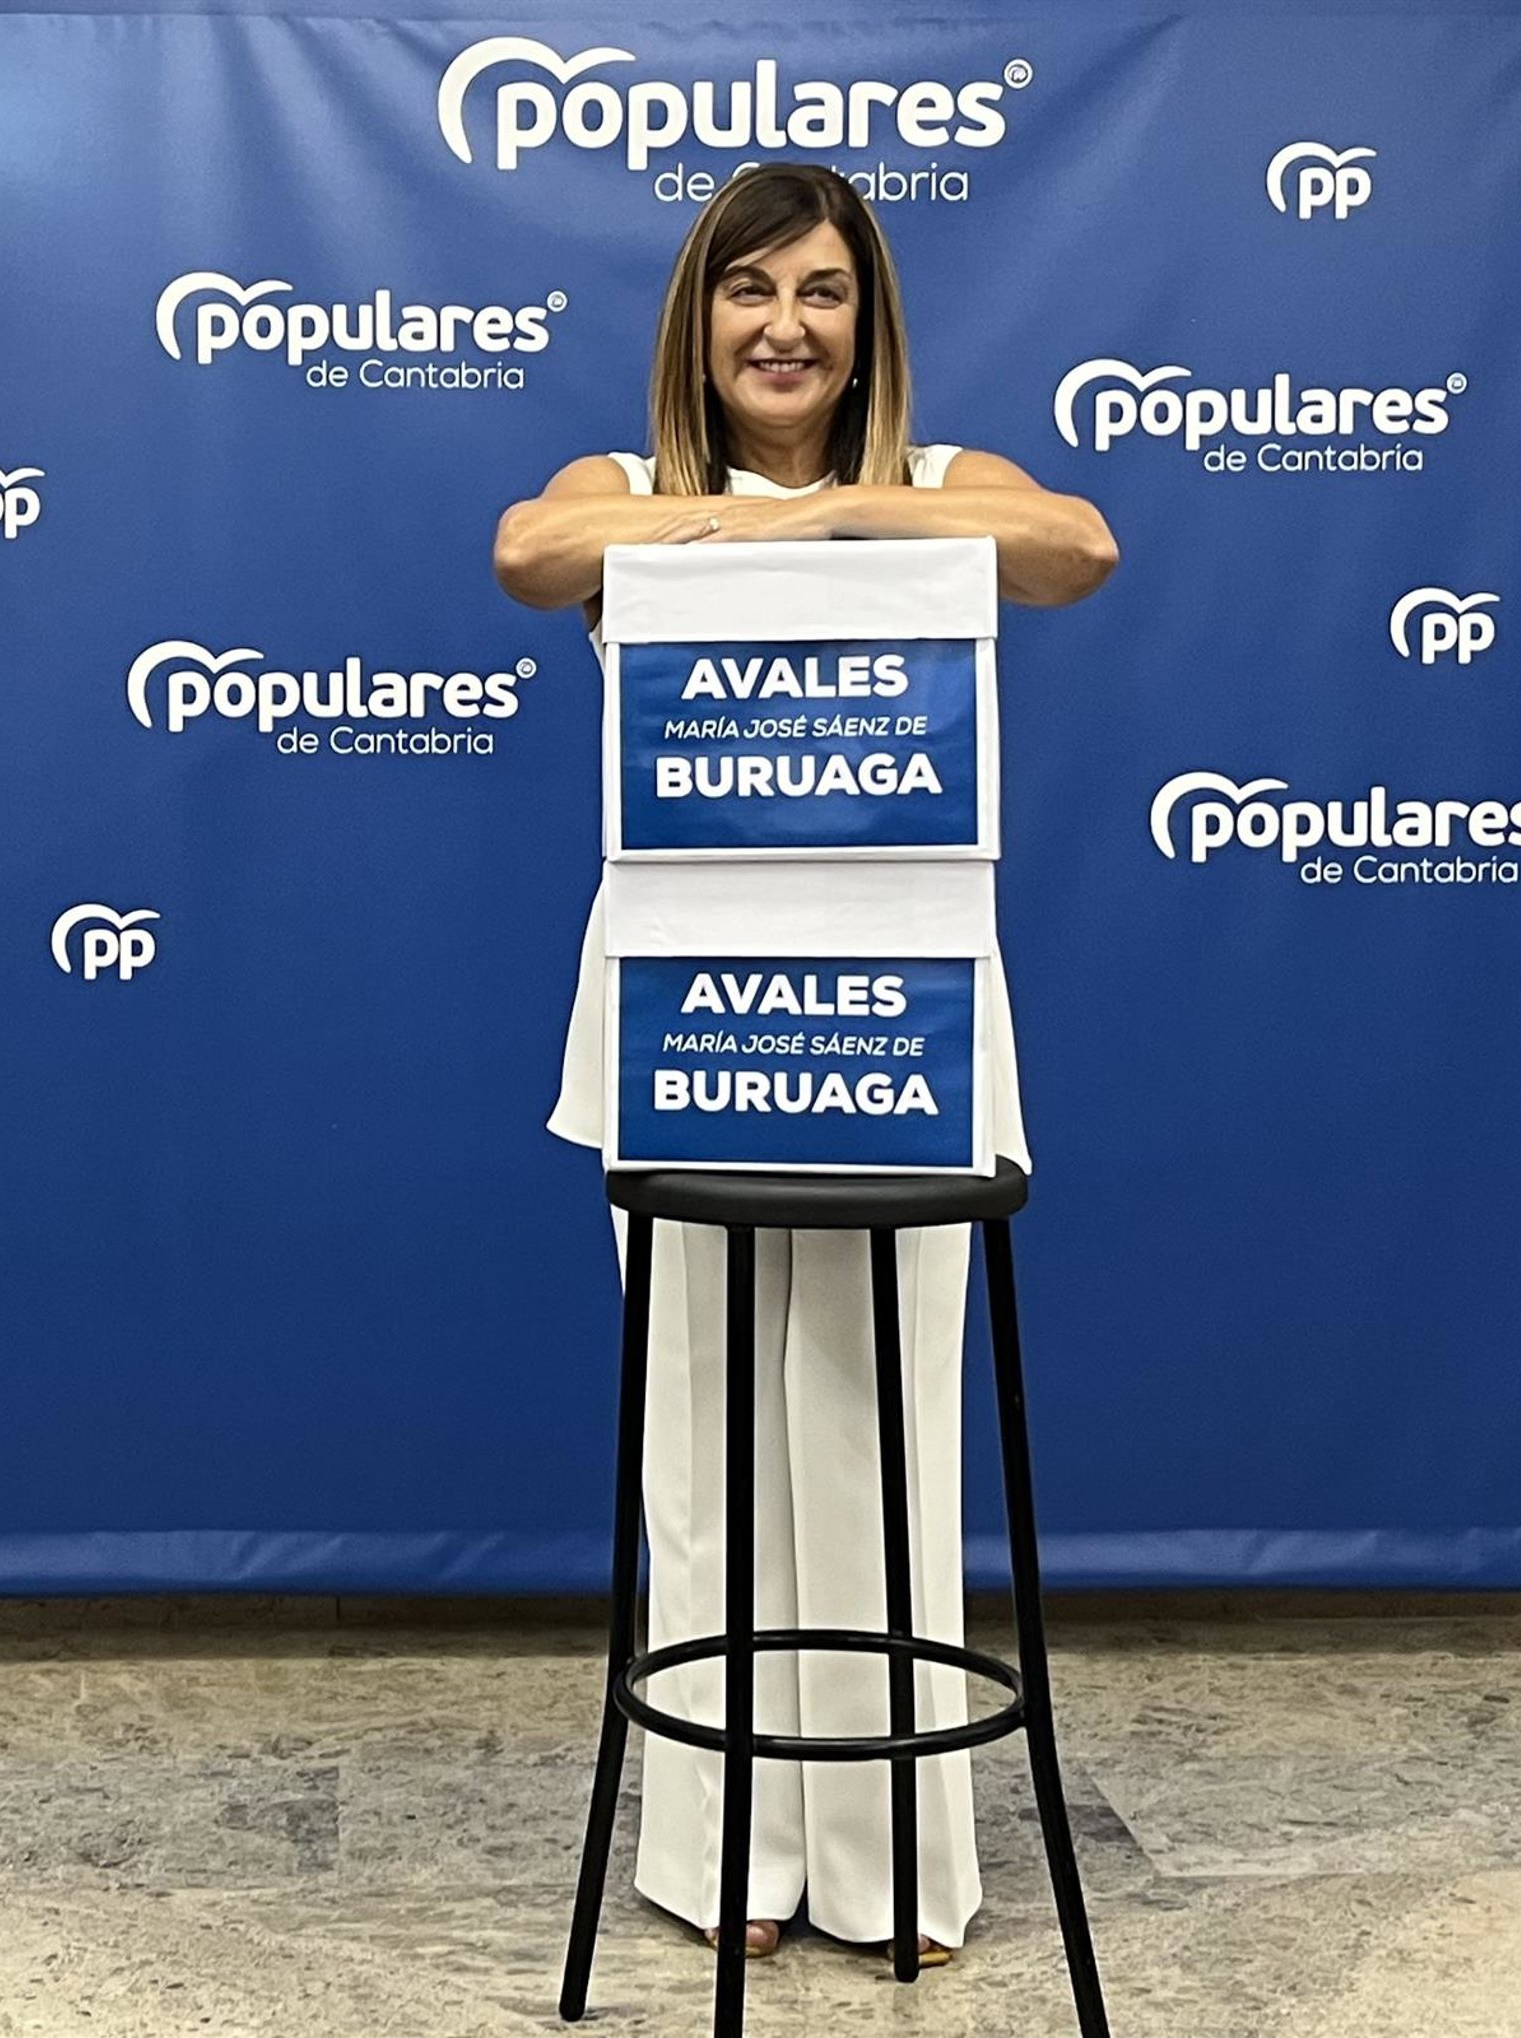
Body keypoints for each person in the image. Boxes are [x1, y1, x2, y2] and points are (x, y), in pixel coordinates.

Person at [493, 164, 1116, 1970]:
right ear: (697, 316)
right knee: (701, 1447)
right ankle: (724, 1856)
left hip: (898, 1020)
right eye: (749, 289)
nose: (784, 325)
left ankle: (891, 1861)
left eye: (823, 291)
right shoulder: (622, 488)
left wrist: (839, 511)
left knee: (878, 1431)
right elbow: (526, 555)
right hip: (685, 1024)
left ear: (869, 324)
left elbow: (1079, 548)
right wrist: (745, 524)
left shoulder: (946, 481)